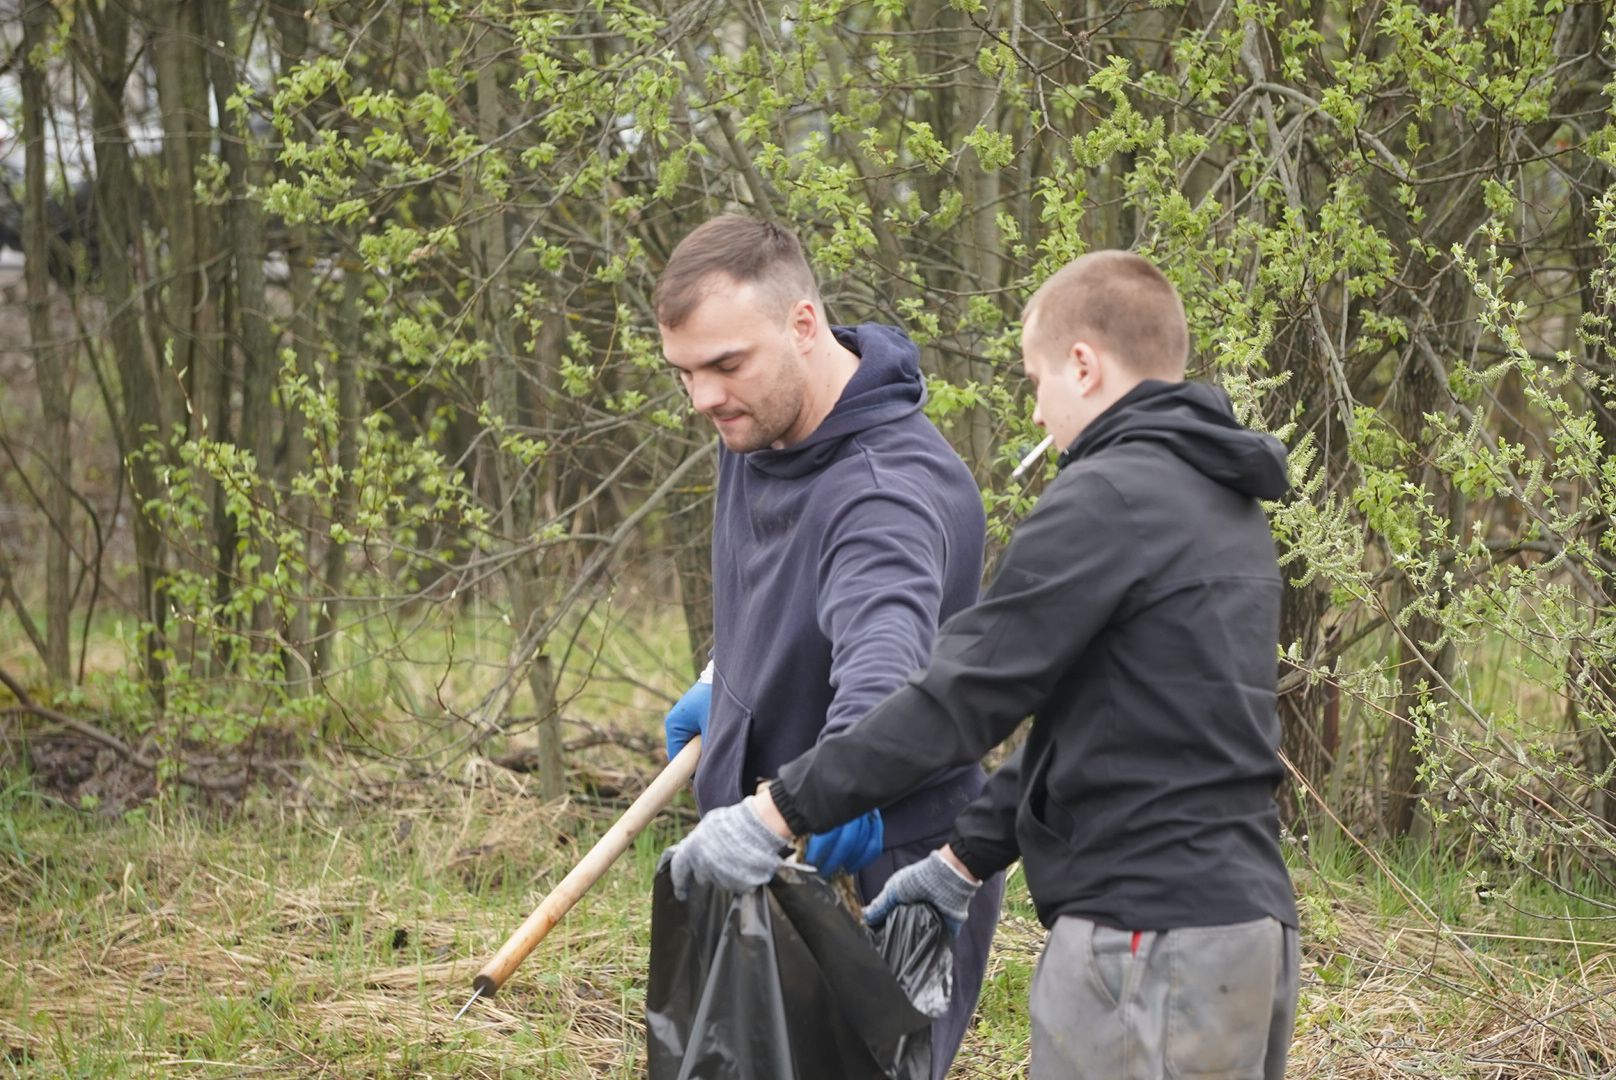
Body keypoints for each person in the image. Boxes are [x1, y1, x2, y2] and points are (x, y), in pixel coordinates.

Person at [669, 250, 1301, 1080]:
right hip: (1247, 928)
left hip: (1145, 944)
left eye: (1035, 382)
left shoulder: (1104, 498)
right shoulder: (1222, 503)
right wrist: (965, 859)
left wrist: (779, 812)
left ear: (1083, 365)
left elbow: (959, 695)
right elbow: (1107, 729)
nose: (1037, 415)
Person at [654, 213, 1003, 1077]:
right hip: (764, 855)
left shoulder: (882, 496)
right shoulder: (760, 423)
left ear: (804, 324)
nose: (704, 398)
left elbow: (882, 674)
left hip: (874, 876)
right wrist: (736, 682)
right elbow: (791, 592)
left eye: (726, 364)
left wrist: (833, 800)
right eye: (685, 372)